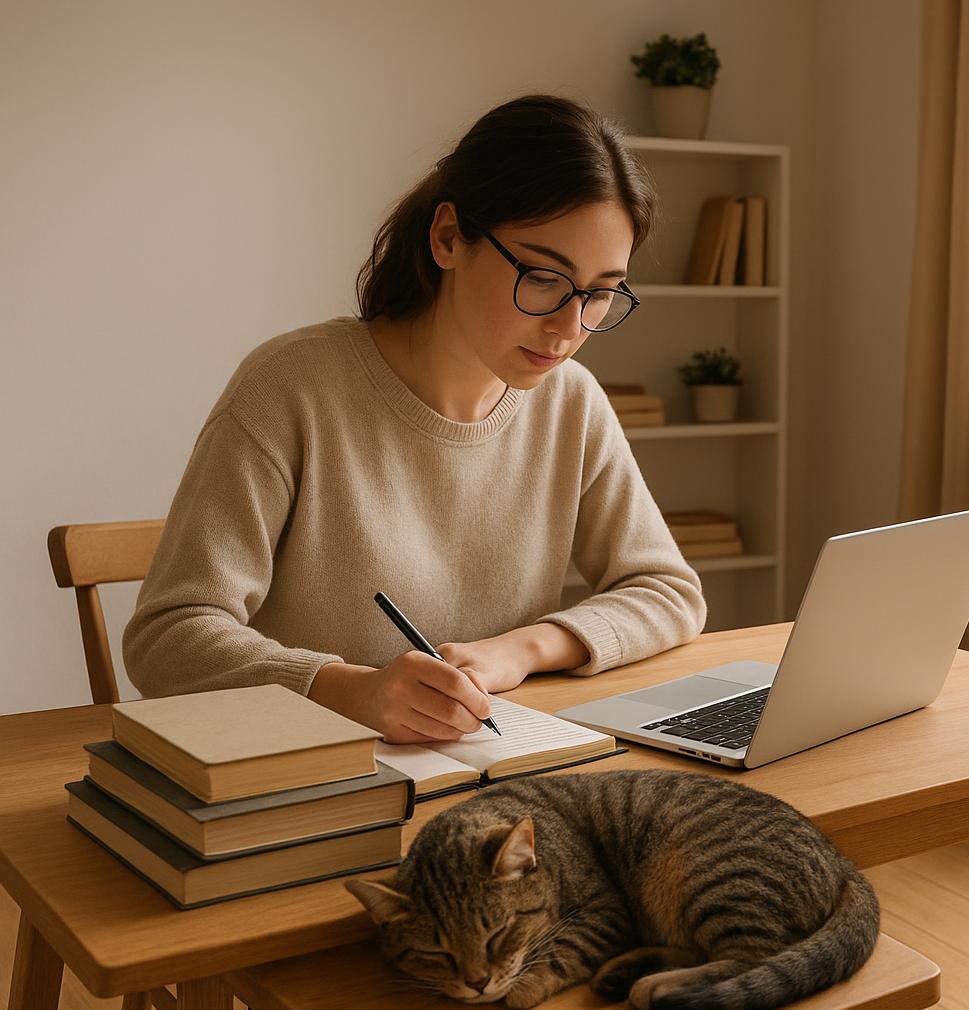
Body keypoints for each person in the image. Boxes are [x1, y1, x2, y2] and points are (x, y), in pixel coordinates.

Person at [123, 94, 707, 744]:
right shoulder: (293, 386)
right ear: (449, 236)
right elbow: (166, 637)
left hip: (494, 779)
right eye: (544, 277)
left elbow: (667, 591)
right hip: (316, 779)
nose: (570, 328)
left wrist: (523, 649)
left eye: (600, 293)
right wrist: (349, 691)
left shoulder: (571, 401)